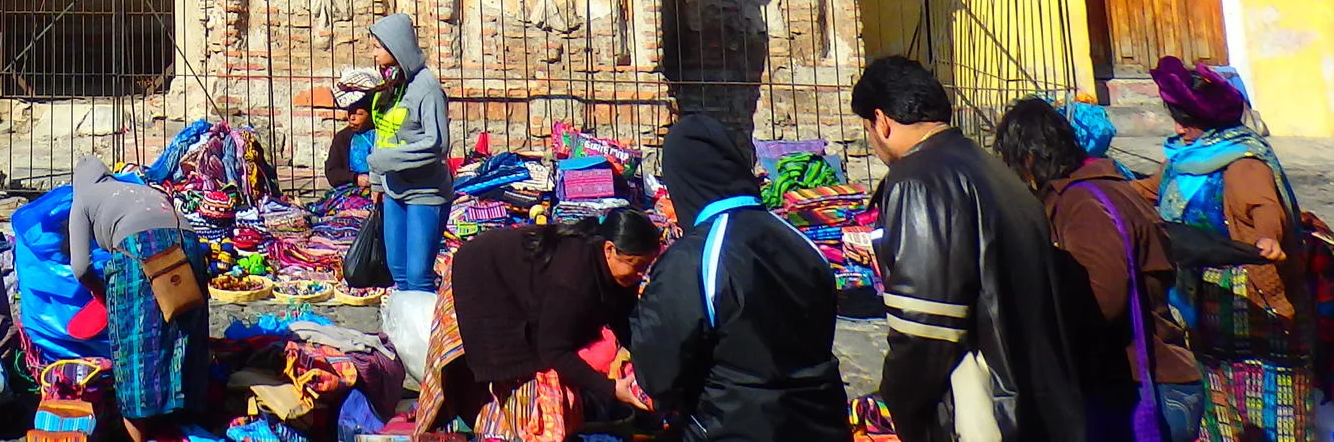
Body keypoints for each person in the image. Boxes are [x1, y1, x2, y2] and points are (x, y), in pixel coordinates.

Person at [852, 54, 1082, 442]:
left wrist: (894, 406)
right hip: (1038, 405)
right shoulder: (993, 171)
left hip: (980, 412)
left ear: (882, 121)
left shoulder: (918, 180)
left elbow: (924, 328)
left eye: (868, 130)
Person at [991, 97, 1202, 442]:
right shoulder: (1102, 189)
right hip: (1141, 382)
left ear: (1028, 160)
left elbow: (1102, 299)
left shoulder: (1084, 203)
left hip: (1136, 388)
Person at [631, 115, 850, 442]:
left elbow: (658, 372)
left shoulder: (697, 256)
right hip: (822, 422)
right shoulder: (802, 244)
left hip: (734, 427)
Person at [1148, 55, 1316, 442]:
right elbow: (1146, 192)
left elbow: (1264, 206)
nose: (1179, 128)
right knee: (1221, 404)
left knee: (1272, 409)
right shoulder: (1182, 161)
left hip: (1254, 303)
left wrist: (1268, 238)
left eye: (1185, 121)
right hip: (1204, 304)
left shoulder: (1242, 162)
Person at [416, 209, 661, 439]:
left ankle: (496, 430)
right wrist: (611, 388)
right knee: (511, 371)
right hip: (478, 277)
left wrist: (645, 368)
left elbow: (623, 319)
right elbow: (554, 351)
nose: (641, 274)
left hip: (519, 286)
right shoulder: (573, 282)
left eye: (645, 267)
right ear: (609, 250)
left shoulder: (618, 274)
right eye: (636, 265)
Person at [70, 155, 207, 442]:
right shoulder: (139, 189)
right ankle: (185, 424)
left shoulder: (82, 200)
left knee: (134, 346)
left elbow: (81, 266)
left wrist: (101, 292)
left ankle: (139, 435)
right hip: (189, 245)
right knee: (183, 331)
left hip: (140, 247)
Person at [365, 13, 453, 297]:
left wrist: (384, 161)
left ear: (396, 47)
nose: (373, 52)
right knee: (398, 271)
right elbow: (383, 133)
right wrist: (377, 181)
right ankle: (404, 336)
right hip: (394, 190)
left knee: (418, 275)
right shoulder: (392, 85)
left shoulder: (428, 89)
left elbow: (437, 143)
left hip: (425, 192)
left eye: (378, 46)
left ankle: (424, 337)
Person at [323, 66, 380, 189]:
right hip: (351, 189)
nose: (352, 118)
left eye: (359, 114)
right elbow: (332, 172)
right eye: (350, 112)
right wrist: (355, 178)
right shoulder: (343, 138)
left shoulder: (382, 134)